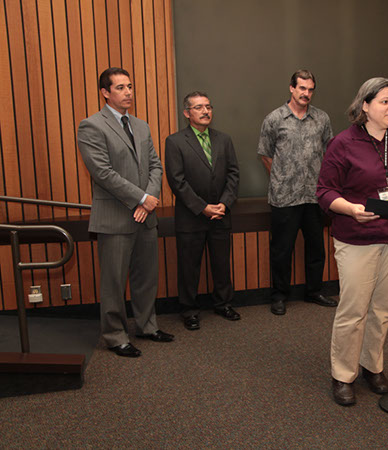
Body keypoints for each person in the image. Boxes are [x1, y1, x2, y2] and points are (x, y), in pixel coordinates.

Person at [317, 77, 388, 406]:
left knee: (383, 309)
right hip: (358, 238)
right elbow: (324, 192)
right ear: (365, 105)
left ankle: (371, 366)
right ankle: (342, 374)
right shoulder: (343, 143)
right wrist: (350, 209)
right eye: (385, 102)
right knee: (354, 310)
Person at [77, 67, 173, 358]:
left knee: (146, 277)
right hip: (115, 218)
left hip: (146, 216)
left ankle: (147, 325)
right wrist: (141, 198)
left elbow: (156, 165)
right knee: (114, 282)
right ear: (105, 92)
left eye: (130, 86)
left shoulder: (142, 126)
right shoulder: (91, 125)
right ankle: (115, 335)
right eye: (120, 87)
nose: (128, 92)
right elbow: (102, 173)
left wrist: (151, 197)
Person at [257, 69, 337, 315]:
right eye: (302, 88)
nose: (306, 94)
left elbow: (330, 152)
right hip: (284, 198)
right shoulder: (275, 119)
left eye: (310, 89)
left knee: (316, 248)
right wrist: (282, 177)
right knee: (282, 250)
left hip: (315, 196)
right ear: (292, 88)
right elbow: (265, 153)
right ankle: (279, 295)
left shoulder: (322, 119)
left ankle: (314, 291)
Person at [165, 92, 240, 331]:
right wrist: (202, 208)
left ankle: (223, 303)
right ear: (187, 113)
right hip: (191, 216)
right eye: (199, 108)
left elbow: (233, 174)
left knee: (221, 264)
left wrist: (224, 204)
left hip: (220, 213)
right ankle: (189, 310)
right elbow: (177, 182)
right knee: (189, 267)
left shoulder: (224, 139)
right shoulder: (175, 142)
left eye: (208, 106)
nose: (206, 111)